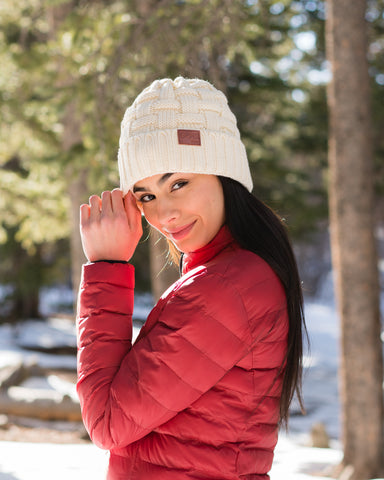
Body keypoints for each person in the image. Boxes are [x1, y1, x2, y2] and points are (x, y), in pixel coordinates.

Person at [77, 77, 306, 480]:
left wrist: (107, 269)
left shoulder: (226, 289)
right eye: (146, 196)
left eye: (178, 183)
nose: (164, 215)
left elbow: (108, 422)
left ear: (225, 175)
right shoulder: (230, 275)